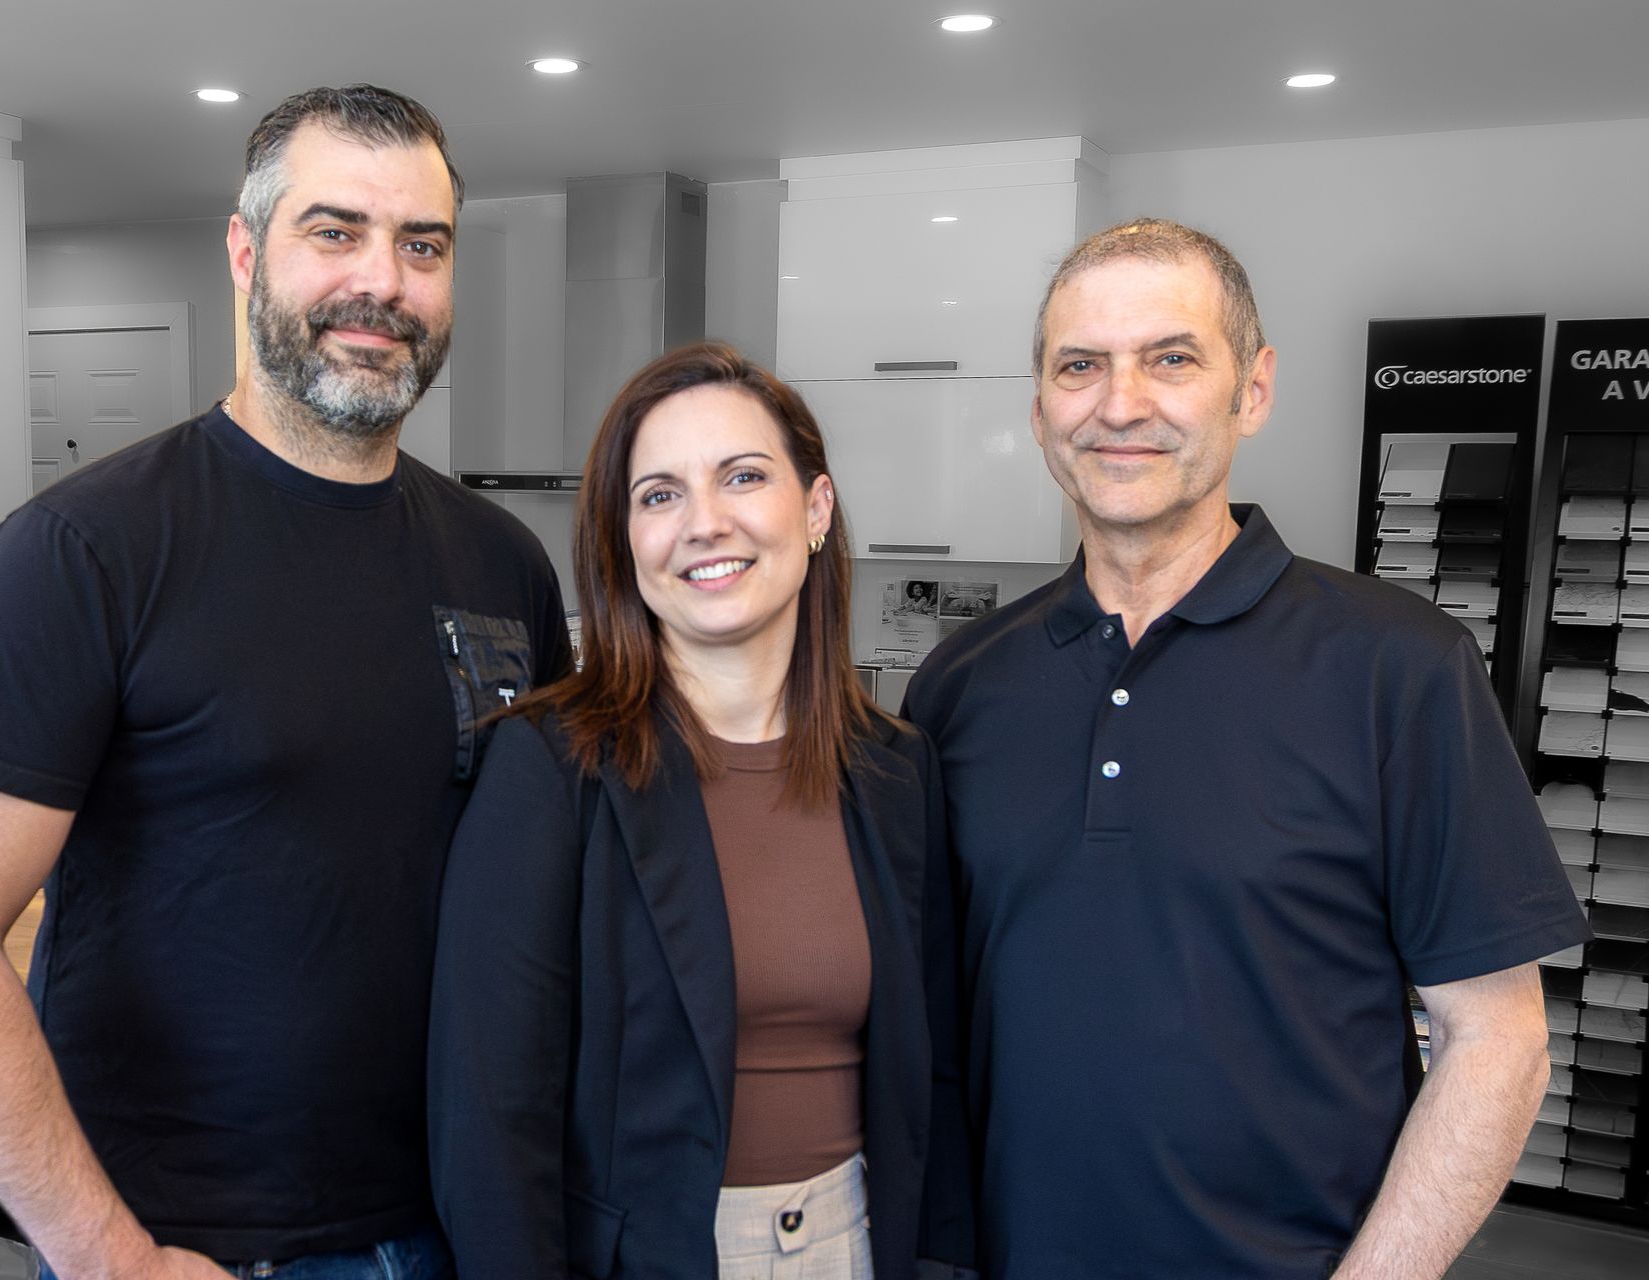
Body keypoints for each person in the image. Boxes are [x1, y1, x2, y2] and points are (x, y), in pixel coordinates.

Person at [0, 84, 570, 1280]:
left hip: (462, 1221)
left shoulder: (502, 560)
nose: (384, 283)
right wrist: (108, 1257)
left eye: (423, 245)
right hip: (197, 1247)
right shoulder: (86, 552)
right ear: (246, 249)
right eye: (334, 230)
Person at [902, 218, 1591, 1280]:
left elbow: (1498, 1041)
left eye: (1171, 358)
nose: (1120, 403)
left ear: (1253, 390)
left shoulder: (1400, 670)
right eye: (1081, 365)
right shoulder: (959, 685)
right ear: (1041, 409)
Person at [428, 342, 974, 1280]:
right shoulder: (549, 769)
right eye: (659, 495)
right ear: (625, 541)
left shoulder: (894, 771)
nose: (704, 523)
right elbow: (487, 1120)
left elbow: (934, 1075)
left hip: (858, 1245)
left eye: (744, 477)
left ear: (816, 510)